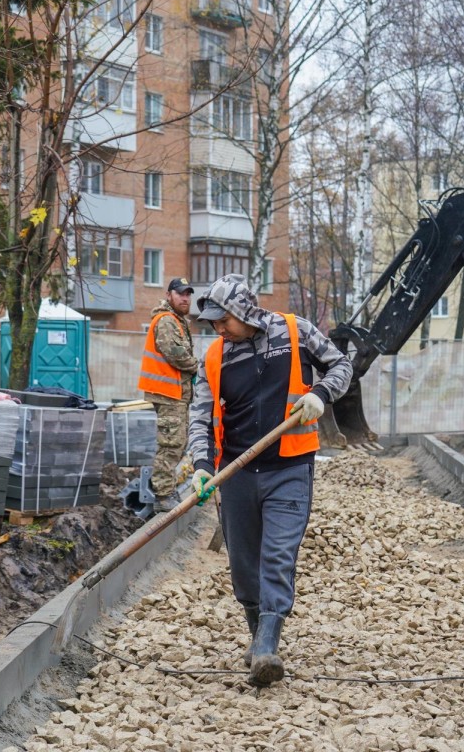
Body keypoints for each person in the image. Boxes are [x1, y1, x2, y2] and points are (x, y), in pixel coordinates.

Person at [187, 273, 352, 686]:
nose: (218, 329)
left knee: (278, 556)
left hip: (289, 468)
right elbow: (200, 416)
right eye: (212, 323)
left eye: (223, 320)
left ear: (244, 311)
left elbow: (341, 364)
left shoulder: (295, 332)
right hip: (237, 472)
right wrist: (202, 466)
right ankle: (257, 636)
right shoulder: (214, 357)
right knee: (244, 566)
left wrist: (320, 394)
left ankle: (266, 645)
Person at [137, 277, 199, 513]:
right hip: (168, 393)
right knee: (171, 445)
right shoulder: (166, 321)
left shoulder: (177, 321)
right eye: (180, 293)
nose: (185, 298)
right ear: (169, 295)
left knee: (178, 443)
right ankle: (163, 495)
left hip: (175, 393)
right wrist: (199, 367)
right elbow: (176, 354)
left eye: (188, 294)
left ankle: (167, 489)